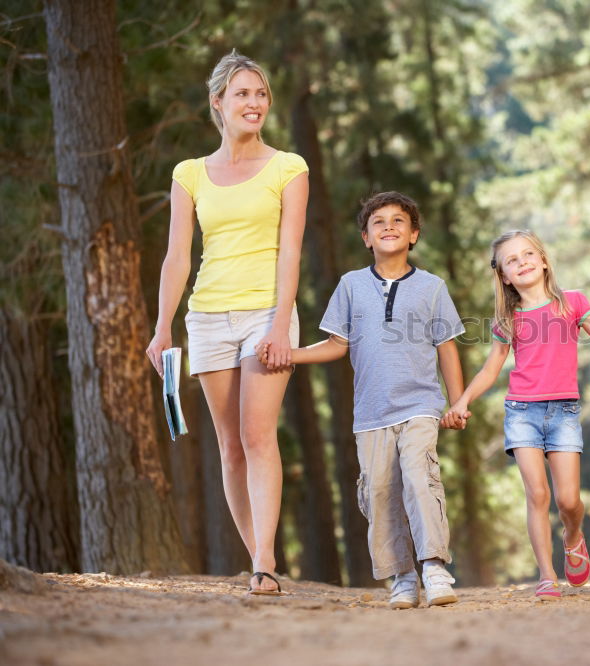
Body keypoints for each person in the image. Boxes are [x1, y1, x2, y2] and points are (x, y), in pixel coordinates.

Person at [145, 50, 309, 596]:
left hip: (267, 312)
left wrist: (281, 325)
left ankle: (264, 562)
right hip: (208, 317)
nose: (254, 103)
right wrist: (163, 326)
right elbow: (177, 257)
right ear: (218, 103)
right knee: (231, 446)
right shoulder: (189, 173)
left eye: (261, 94)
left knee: (259, 434)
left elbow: (291, 253)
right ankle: (256, 556)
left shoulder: (289, 167)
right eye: (243, 94)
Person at [259, 191, 465, 609]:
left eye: (398, 221)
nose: (389, 226)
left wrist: (456, 402)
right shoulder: (351, 285)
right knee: (379, 491)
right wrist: (291, 353)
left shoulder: (432, 287)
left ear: (414, 234)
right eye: (378, 222)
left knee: (418, 476)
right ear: (366, 238)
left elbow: (446, 346)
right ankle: (401, 577)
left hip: (420, 404)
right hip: (370, 413)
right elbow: (337, 344)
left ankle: (434, 566)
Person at [443, 230, 590, 600]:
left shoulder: (572, 302)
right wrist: (461, 402)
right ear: (504, 276)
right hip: (521, 412)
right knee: (537, 494)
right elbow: (491, 370)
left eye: (528, 255)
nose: (522, 262)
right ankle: (546, 575)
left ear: (542, 261)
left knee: (568, 501)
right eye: (512, 260)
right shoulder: (508, 319)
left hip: (563, 412)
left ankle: (573, 537)